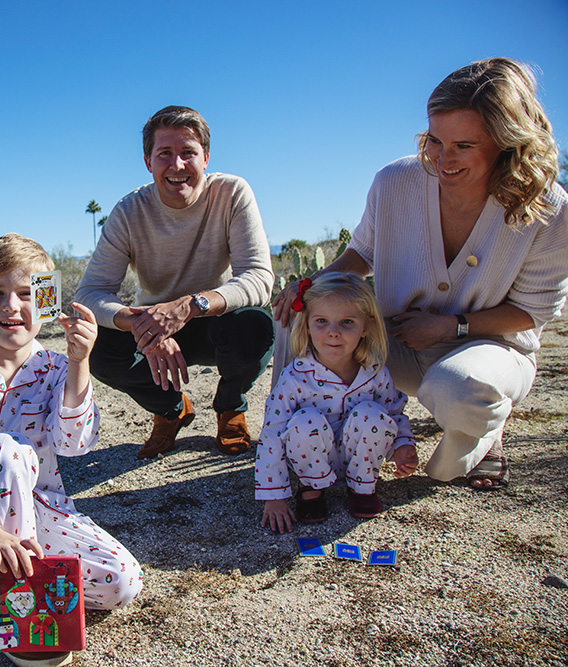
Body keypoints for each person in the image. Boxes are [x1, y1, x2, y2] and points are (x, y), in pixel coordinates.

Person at [273, 58, 568, 490]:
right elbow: (363, 252)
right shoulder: (395, 181)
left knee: (459, 388)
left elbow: (531, 311)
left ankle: (484, 436)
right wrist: (308, 288)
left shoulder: (549, 209)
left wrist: (450, 325)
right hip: (398, 341)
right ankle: (294, 442)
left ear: (506, 144)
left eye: (464, 145)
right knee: (300, 310)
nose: (443, 159)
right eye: (435, 140)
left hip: (491, 348)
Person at [0, 233, 142, 667]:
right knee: (6, 450)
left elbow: (74, 444)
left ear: (45, 301)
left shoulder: (56, 368)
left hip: (44, 505)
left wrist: (80, 363)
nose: (12, 306)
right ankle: (16, 608)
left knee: (123, 583)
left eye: (26, 293)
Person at [76, 105, 275, 459]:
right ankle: (172, 410)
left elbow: (259, 277)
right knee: (99, 347)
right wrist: (141, 323)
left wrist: (189, 306)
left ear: (206, 157)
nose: (177, 165)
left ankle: (231, 407)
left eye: (188, 153)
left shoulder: (232, 193)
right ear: (148, 161)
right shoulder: (129, 211)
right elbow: (90, 293)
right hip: (154, 327)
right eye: (164, 154)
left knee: (258, 325)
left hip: (214, 321)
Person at [257, 273, 418, 533]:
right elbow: (272, 433)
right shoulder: (294, 377)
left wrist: (402, 445)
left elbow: (394, 413)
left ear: (366, 326)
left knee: (372, 414)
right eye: (321, 321)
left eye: (347, 322)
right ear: (307, 325)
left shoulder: (375, 372)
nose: (333, 332)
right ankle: (311, 488)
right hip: (311, 459)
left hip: (362, 458)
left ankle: (362, 486)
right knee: (304, 421)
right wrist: (274, 496)